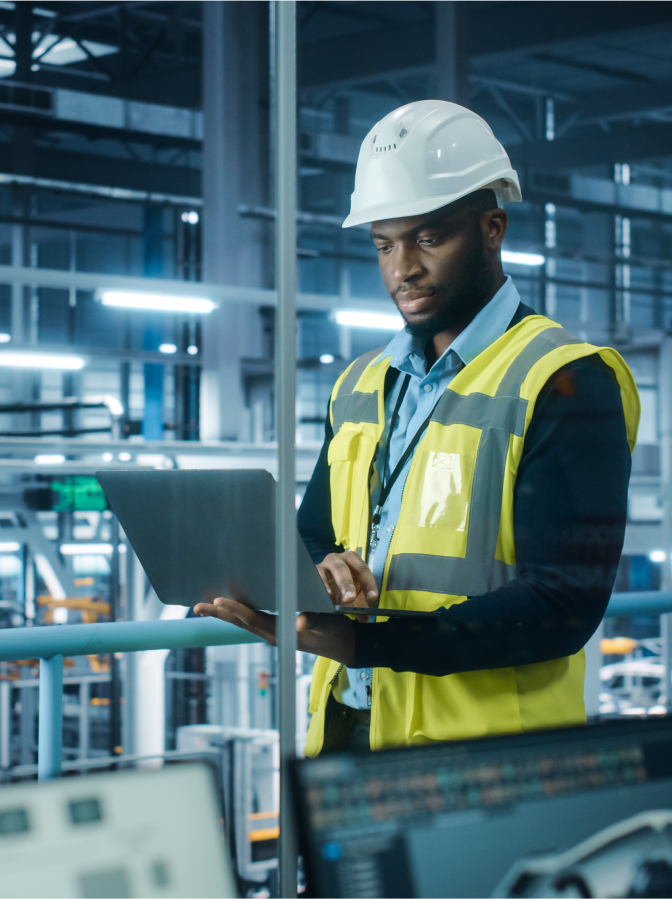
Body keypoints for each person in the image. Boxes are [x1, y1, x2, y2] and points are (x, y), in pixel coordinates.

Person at [194, 100, 640, 753]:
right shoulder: (361, 384)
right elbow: (314, 528)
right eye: (384, 243)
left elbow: (561, 606)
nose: (403, 267)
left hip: (486, 758)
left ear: (492, 227)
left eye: (428, 237)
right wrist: (324, 569)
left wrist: (360, 640)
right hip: (351, 729)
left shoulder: (565, 381)